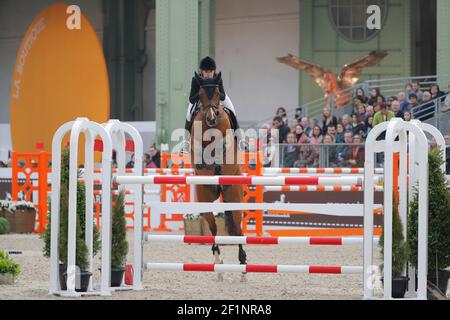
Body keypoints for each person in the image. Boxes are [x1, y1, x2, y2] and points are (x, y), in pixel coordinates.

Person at [185, 56, 237, 132]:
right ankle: (186, 139)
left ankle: (239, 137)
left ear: (214, 71)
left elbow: (222, 96)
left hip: (216, 98)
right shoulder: (195, 79)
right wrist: (201, 94)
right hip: (200, 99)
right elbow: (192, 99)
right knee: (189, 115)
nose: (208, 74)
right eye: (206, 72)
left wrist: (216, 94)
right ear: (202, 71)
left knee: (232, 111)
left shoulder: (217, 78)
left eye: (210, 71)